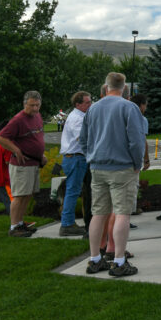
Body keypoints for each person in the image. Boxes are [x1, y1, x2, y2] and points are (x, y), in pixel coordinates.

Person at [80, 72, 146, 277]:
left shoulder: (93, 109)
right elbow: (136, 140)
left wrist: (91, 156)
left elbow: (83, 139)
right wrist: (137, 163)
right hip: (122, 168)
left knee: (98, 213)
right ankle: (118, 261)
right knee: (122, 213)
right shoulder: (129, 107)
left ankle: (95, 259)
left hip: (97, 167)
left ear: (106, 86)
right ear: (124, 87)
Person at [0, 91, 46, 238]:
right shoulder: (18, 120)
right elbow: (1, 138)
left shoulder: (37, 116)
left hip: (34, 162)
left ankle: (20, 223)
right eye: (32, 105)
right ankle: (14, 226)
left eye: (37, 105)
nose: (35, 108)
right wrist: (16, 150)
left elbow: (37, 137)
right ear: (25, 104)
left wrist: (41, 155)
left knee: (28, 194)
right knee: (19, 195)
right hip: (21, 165)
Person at [58, 91, 92, 236]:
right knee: (73, 191)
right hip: (76, 158)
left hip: (75, 158)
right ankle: (67, 224)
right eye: (87, 102)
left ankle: (69, 222)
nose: (90, 105)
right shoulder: (77, 119)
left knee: (75, 191)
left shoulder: (79, 116)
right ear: (78, 104)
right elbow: (82, 139)